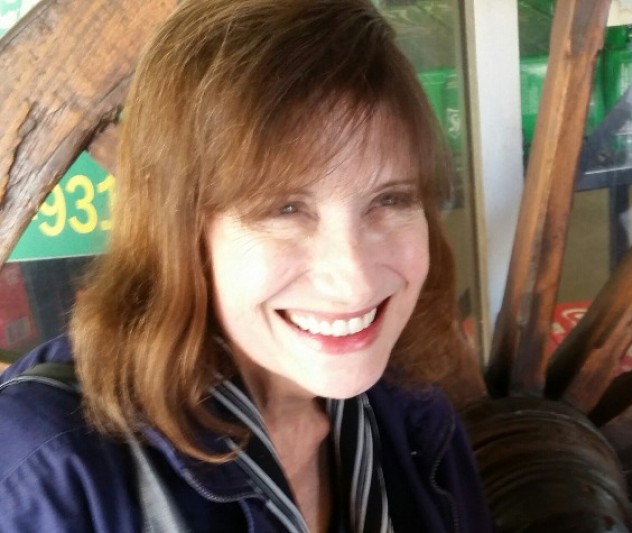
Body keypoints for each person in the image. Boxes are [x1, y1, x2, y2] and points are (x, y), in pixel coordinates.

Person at [0, 0, 493, 532]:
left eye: (390, 200)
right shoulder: (49, 474)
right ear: (180, 232)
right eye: (285, 209)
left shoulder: (412, 411)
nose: (353, 282)